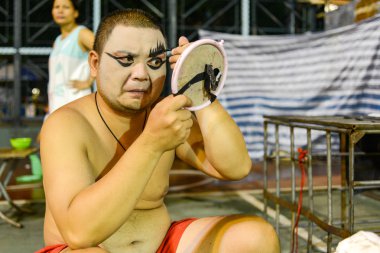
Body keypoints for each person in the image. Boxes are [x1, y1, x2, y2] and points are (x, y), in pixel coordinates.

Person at [37, 9, 280, 253]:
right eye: (126, 60)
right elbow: (80, 234)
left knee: (256, 237)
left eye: (155, 63)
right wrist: (152, 143)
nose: (142, 74)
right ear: (95, 63)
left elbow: (236, 166)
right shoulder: (66, 123)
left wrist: (199, 86)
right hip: (82, 248)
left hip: (160, 243)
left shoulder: (163, 116)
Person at [48, 0, 95, 114]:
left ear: (75, 13)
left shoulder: (82, 34)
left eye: (66, 7)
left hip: (77, 103)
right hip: (57, 105)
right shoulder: (57, 41)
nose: (60, 10)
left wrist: (89, 81)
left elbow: (105, 54)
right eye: (57, 7)